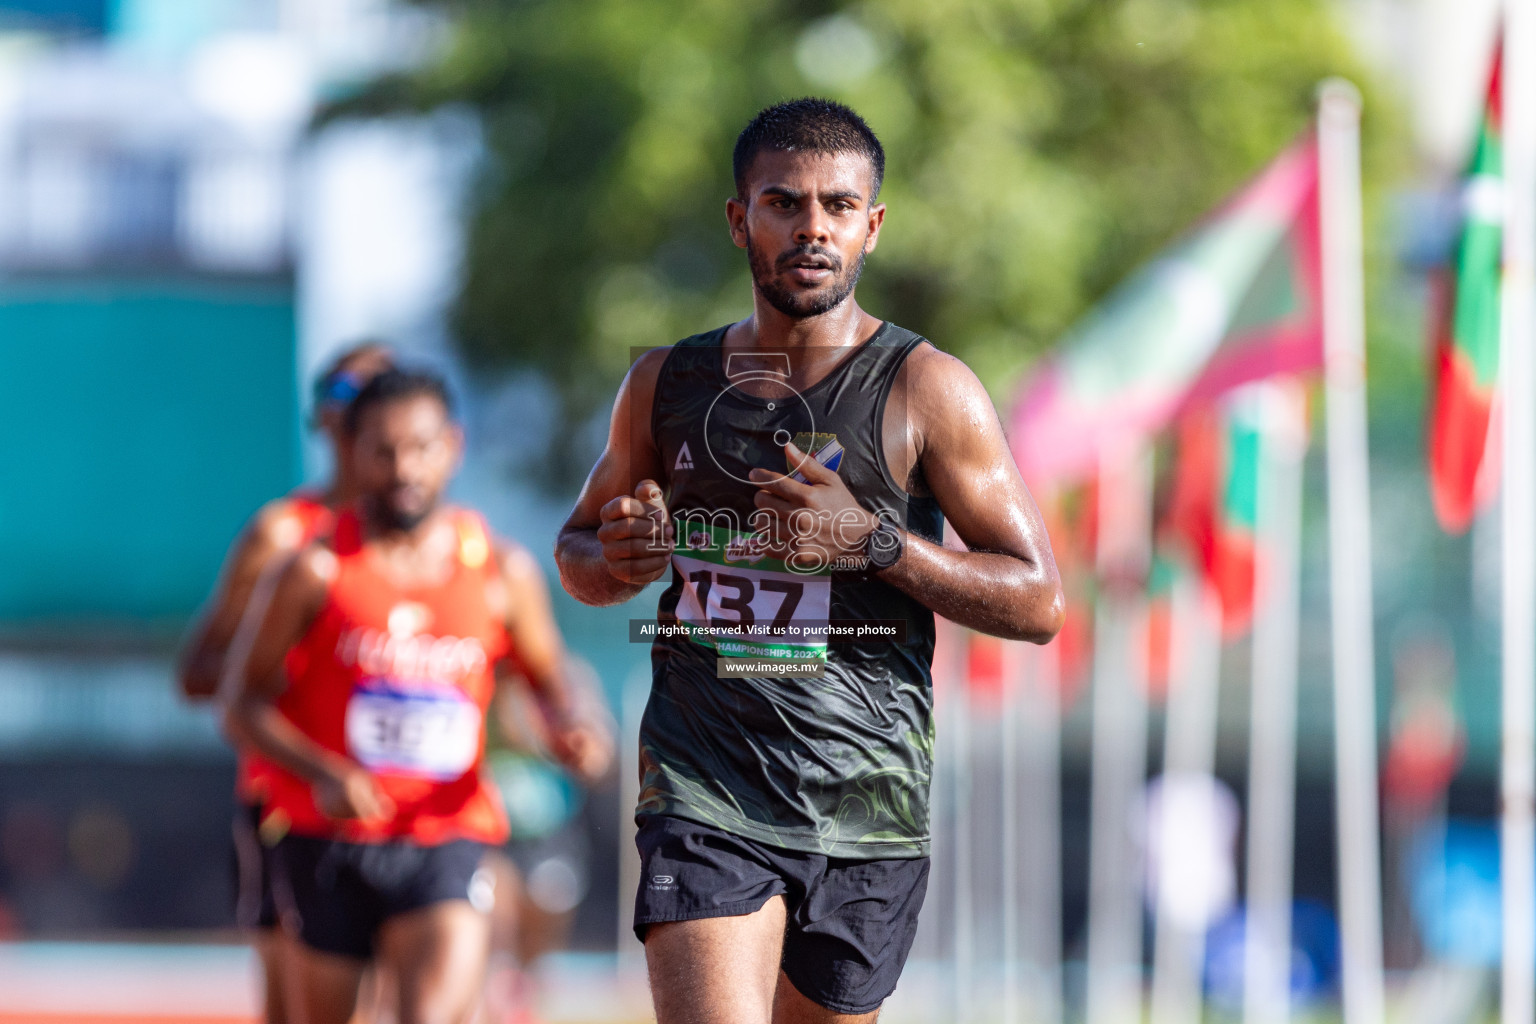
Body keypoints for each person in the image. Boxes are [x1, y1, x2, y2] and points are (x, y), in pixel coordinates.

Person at [554, 98, 1065, 1023]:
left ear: (872, 226)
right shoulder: (663, 383)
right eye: (785, 203)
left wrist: (872, 541)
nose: (812, 227)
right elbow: (580, 552)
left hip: (866, 801)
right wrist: (620, 558)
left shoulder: (928, 388)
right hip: (703, 783)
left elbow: (1038, 602)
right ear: (739, 218)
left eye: (837, 205)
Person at [224, 368, 609, 1024]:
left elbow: (552, 686)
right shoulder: (314, 570)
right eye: (383, 450)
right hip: (328, 839)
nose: (404, 468)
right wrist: (325, 772)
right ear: (352, 453)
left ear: (453, 447)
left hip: (446, 833)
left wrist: (571, 730)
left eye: (421, 448)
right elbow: (241, 703)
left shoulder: (499, 573)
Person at [178, 342, 393, 1024]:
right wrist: (287, 677)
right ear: (325, 422)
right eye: (347, 401)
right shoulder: (284, 535)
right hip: (290, 802)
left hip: (408, 805)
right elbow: (198, 672)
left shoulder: (455, 549)